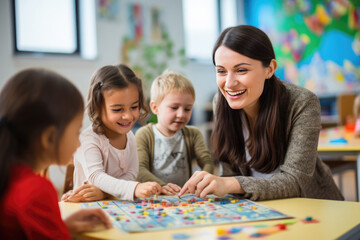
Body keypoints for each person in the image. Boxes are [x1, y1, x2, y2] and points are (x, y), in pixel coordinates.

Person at [179, 25, 344, 201]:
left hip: (312, 205)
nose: (229, 83)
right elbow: (229, 172)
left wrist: (229, 183)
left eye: (241, 70)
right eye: (221, 71)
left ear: (270, 69)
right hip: (259, 208)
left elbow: (295, 181)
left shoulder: (303, 102)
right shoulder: (221, 102)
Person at [0, 68, 112, 239]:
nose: (79, 141)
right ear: (50, 138)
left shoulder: (10, 176)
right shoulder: (36, 190)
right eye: (76, 132)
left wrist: (62, 226)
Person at [63, 64, 161, 202]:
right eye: (117, 109)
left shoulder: (130, 137)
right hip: (87, 207)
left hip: (117, 205)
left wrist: (105, 194)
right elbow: (96, 177)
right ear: (98, 107)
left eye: (134, 107)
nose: (128, 116)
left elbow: (131, 173)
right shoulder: (88, 139)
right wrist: (134, 188)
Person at [136, 70, 214, 195]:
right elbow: (139, 169)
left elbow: (207, 161)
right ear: (155, 108)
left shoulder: (193, 133)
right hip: (156, 196)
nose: (181, 114)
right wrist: (161, 186)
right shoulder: (144, 134)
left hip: (184, 196)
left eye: (188, 109)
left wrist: (203, 180)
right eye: (174, 108)